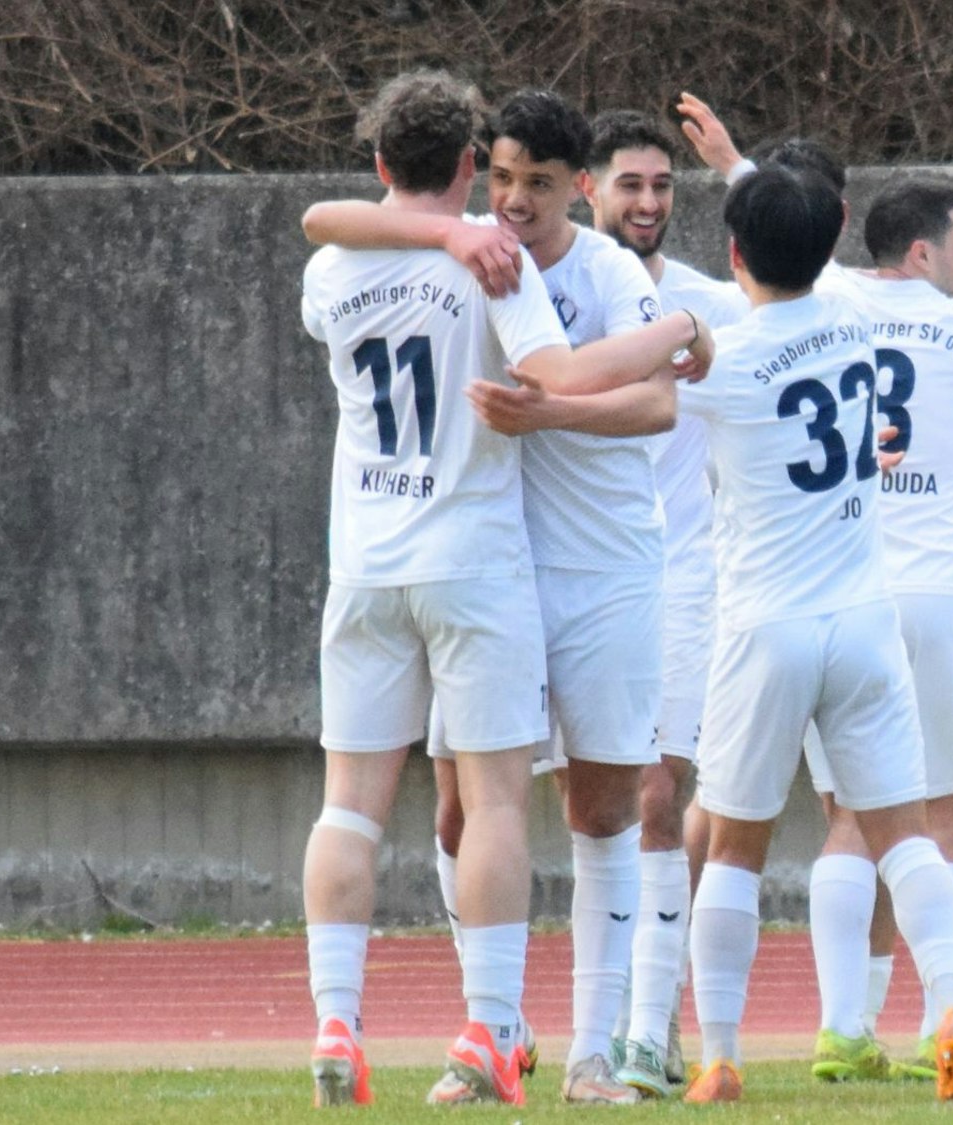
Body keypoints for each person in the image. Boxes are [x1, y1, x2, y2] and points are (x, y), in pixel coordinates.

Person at [479, 163, 953, 1106]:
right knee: (905, 836)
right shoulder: (855, 319)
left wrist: (547, 406)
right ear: (830, 242)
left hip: (767, 630)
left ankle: (717, 1052)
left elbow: (632, 398)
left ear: (733, 254)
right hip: (866, 620)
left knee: (736, 851)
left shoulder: (735, 357)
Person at [299, 70, 709, 1109]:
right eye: (505, 179)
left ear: (579, 185)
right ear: (478, 171)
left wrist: (562, 408)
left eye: (539, 182)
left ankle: (593, 1052)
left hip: (599, 567)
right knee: (460, 814)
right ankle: (497, 1034)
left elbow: (656, 408)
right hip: (491, 569)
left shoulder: (608, 270)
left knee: (606, 808)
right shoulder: (482, 256)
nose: (516, 202)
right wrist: (675, 337)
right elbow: (574, 373)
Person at [796, 179, 953, 1082]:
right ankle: (942, 1021)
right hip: (946, 592)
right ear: (923, 254)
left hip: (852, 589)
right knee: (944, 816)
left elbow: (777, 229)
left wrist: (733, 162)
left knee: (851, 817)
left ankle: (843, 1028)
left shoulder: (831, 306)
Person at [580, 107, 751, 1098]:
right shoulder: (552, 301)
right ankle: (527, 1027)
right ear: (586, 191)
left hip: (683, 583)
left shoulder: (707, 307)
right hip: (568, 581)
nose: (647, 203)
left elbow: (801, 310)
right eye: (628, 186)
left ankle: (649, 1032)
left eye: (660, 186)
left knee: (653, 799)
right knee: (485, 811)